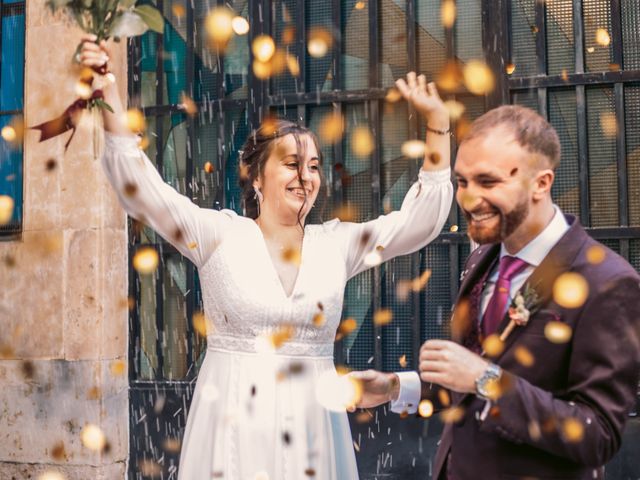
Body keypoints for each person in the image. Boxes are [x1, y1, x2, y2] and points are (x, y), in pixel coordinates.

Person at [79, 35, 453, 479]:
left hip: (315, 433)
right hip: (233, 432)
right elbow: (141, 188)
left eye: (314, 166)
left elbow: (420, 219)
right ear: (256, 176)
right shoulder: (217, 234)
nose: (306, 177)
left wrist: (437, 126)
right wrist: (110, 93)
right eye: (292, 164)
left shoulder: (336, 244)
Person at [352, 105, 640, 479]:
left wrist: (487, 380)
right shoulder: (482, 261)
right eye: (463, 182)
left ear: (541, 183)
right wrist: (396, 388)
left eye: (488, 182)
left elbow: (598, 434)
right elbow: (470, 381)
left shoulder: (607, 281)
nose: (469, 199)